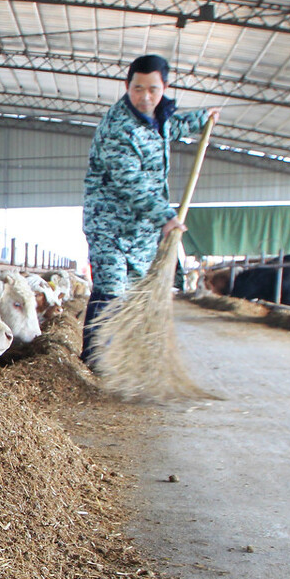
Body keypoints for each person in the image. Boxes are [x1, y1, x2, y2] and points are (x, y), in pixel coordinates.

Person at [81, 54, 220, 362]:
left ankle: (123, 357)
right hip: (109, 225)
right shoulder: (118, 127)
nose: (145, 97)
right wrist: (166, 217)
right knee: (110, 289)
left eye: (153, 89)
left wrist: (202, 117)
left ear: (164, 87)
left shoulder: (156, 118)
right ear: (127, 86)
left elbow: (169, 129)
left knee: (134, 293)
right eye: (137, 88)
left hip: (140, 229)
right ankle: (94, 360)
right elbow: (129, 182)